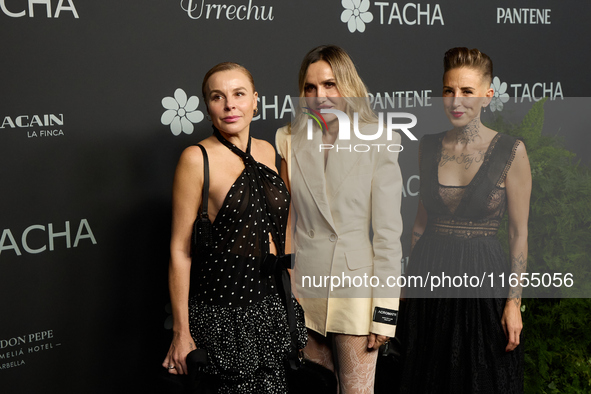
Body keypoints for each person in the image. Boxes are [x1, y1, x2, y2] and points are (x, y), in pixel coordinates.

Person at [162, 62, 307, 393]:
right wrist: (181, 332)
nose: (230, 105)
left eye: (239, 94)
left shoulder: (269, 150)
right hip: (225, 313)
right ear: (207, 106)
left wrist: (295, 299)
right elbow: (180, 250)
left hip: (273, 306)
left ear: (256, 100)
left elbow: (283, 233)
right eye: (218, 96)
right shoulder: (196, 159)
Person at [396, 47, 531, 393]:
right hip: (429, 273)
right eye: (448, 90)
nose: (456, 101)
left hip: (483, 279)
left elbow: (518, 233)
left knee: (481, 377)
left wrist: (513, 302)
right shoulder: (426, 146)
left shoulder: (511, 151)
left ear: (487, 96)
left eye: (467, 92)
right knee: (426, 376)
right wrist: (407, 289)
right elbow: (420, 225)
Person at [276, 45, 403, 393]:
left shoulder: (380, 139)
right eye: (310, 88)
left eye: (330, 85)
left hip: (357, 293)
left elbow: (388, 236)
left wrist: (385, 314)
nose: (320, 97)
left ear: (348, 85)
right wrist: (289, 295)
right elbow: (288, 223)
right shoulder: (289, 139)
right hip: (305, 293)